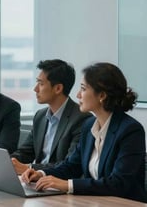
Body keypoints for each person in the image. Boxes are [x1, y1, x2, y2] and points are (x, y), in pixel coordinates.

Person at [21, 62, 147, 203]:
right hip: (94, 202)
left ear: (102, 95)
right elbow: (72, 165)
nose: (78, 95)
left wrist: (67, 185)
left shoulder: (130, 130)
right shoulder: (88, 126)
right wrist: (41, 174)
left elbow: (119, 183)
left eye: (83, 89)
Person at [11, 59, 91, 173]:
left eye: (41, 84)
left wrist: (31, 169)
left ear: (58, 88)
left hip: (58, 183)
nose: (35, 89)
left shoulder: (82, 119)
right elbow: (25, 152)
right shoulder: (40, 116)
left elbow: (68, 164)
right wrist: (8, 162)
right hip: (35, 180)